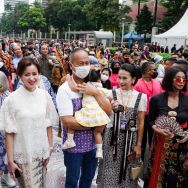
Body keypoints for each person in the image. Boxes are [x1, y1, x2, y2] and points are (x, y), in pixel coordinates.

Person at [0, 57, 58, 188]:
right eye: (27, 74)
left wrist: (49, 149)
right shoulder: (12, 99)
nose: (31, 78)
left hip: (41, 155)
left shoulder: (44, 96)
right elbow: (9, 132)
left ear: (39, 75)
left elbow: (48, 125)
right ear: (20, 76)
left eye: (34, 74)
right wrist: (10, 160)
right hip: (22, 155)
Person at [56, 48, 111, 188]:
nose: (84, 66)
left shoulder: (93, 84)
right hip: (74, 147)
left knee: (88, 179)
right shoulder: (65, 90)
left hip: (93, 145)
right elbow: (68, 121)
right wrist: (96, 123)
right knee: (72, 181)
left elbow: (108, 111)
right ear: (71, 65)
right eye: (80, 63)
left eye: (87, 63)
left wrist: (96, 93)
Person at [97, 64, 147, 188]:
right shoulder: (110, 94)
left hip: (130, 140)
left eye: (125, 78)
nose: (121, 81)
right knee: (109, 168)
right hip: (111, 139)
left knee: (127, 170)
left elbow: (141, 122)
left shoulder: (141, 97)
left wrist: (139, 145)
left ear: (134, 79)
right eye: (119, 78)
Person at [148, 66, 188, 188]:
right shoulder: (156, 99)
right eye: (177, 78)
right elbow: (150, 120)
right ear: (170, 79)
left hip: (180, 144)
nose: (181, 81)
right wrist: (156, 129)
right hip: (160, 142)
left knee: (176, 177)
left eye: (184, 79)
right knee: (158, 174)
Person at [62, 70, 111, 159]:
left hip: (88, 114)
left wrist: (69, 78)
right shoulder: (100, 89)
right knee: (97, 132)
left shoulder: (85, 87)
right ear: (99, 79)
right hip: (100, 117)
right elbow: (111, 94)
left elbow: (73, 88)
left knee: (73, 119)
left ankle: (70, 140)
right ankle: (99, 151)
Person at [134, 62, 163, 158]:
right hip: (142, 117)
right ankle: (139, 163)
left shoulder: (157, 82)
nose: (155, 71)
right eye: (153, 69)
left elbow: (162, 96)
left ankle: (152, 161)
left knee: (153, 140)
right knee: (141, 140)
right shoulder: (137, 84)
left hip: (155, 117)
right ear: (147, 71)